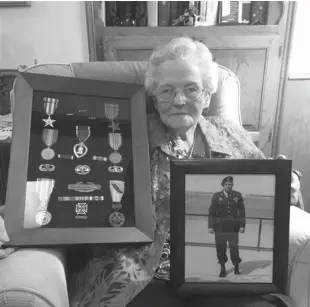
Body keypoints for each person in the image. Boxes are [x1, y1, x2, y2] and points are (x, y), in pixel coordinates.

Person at [0, 37, 300, 307]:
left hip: (219, 272)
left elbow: (268, 183)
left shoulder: (229, 134)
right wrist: (11, 220)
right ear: (153, 98)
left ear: (208, 96)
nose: (178, 100)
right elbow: (63, 183)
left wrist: (290, 184)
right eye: (167, 91)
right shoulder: (121, 136)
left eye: (191, 89)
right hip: (140, 275)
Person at [208, 176, 245, 278]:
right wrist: (210, 226)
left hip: (233, 227)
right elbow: (211, 213)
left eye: (230, 184)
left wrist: (242, 225)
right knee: (220, 248)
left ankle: (236, 265)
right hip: (219, 227)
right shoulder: (216, 196)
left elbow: (241, 212)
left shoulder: (237, 195)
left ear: (232, 185)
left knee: (234, 248)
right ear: (223, 185)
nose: (228, 186)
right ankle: (222, 268)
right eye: (226, 184)